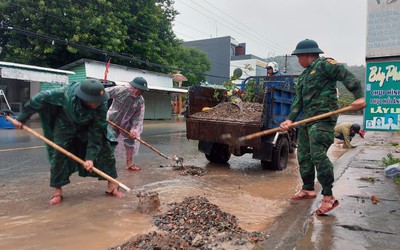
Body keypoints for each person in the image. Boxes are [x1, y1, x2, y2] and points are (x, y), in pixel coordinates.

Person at [279, 39, 366, 215]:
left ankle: (328, 196)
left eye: (298, 57)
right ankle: (308, 188)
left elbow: (344, 74)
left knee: (317, 154)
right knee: (303, 155)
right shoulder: (303, 76)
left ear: (306, 55)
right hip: (307, 120)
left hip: (323, 119)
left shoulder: (325, 65)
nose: (298, 61)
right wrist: (290, 119)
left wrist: (358, 95)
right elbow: (298, 102)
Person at [14, 79, 124, 205]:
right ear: (85, 98)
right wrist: (22, 117)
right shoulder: (64, 94)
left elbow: (97, 132)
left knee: (106, 148)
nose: (99, 104)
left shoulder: (101, 103)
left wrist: (90, 158)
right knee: (59, 153)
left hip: (88, 126)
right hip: (65, 122)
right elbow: (39, 98)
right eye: (95, 102)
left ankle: (112, 186)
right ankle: (57, 191)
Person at [106, 77, 149, 171]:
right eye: (141, 90)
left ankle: (129, 164)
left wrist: (134, 129)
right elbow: (103, 94)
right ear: (135, 88)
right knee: (110, 140)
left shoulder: (140, 101)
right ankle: (106, 163)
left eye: (143, 91)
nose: (142, 93)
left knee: (130, 141)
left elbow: (138, 117)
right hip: (112, 120)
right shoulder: (120, 90)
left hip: (127, 123)